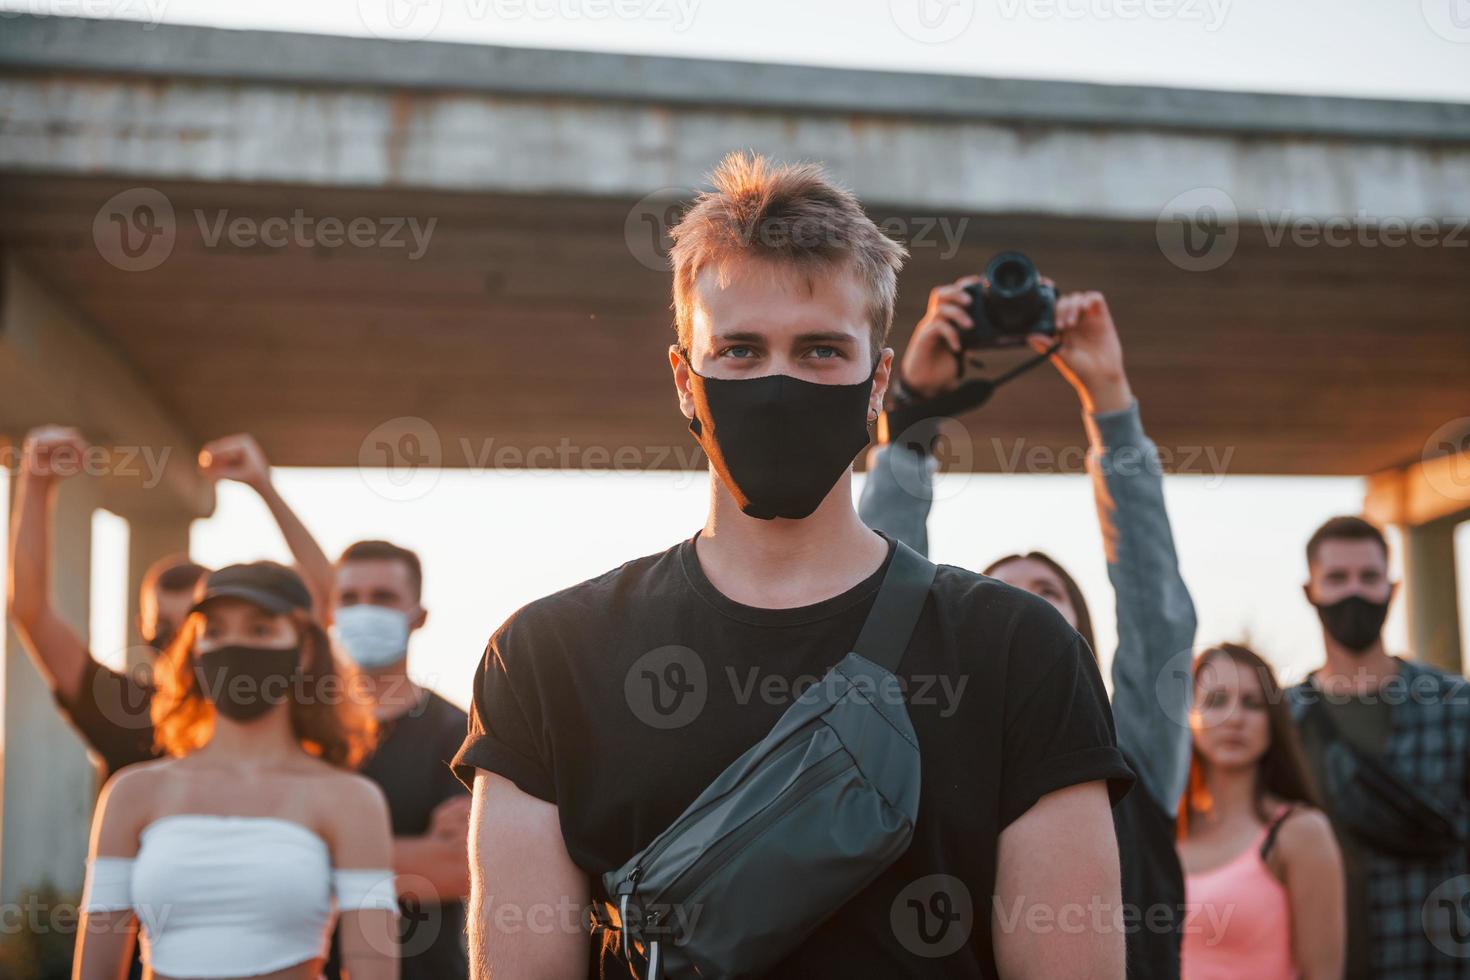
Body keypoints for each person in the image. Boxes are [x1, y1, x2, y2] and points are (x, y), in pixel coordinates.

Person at [452, 152, 1134, 979]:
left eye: (819, 352)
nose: (777, 383)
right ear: (683, 378)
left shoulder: (1020, 655)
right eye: (739, 351)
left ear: (878, 382)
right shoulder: (546, 658)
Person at [859, 280, 1197, 977]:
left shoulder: (1132, 753)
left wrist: (1110, 402)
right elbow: (869, 596)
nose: (1026, 612)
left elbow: (1155, 607)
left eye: (1046, 595)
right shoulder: (914, 752)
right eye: (1002, 597)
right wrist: (914, 417)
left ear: (1080, 631)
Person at [196, 435, 472, 980]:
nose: (363, 610)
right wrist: (262, 485)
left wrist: (294, 852)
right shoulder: (300, 721)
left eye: (384, 598)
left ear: (418, 614)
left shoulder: (457, 731)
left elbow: (454, 868)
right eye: (349, 598)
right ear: (329, 611)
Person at [73, 562, 400, 980]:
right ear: (194, 649)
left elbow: (375, 972)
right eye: (215, 630)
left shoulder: (351, 800)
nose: (234, 645)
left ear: (303, 651)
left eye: (260, 629)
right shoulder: (132, 793)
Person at [1285, 516, 1470, 978]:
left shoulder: (1454, 704)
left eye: (1369, 578)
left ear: (1393, 588)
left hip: (1434, 957)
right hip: (1321, 959)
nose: (1354, 593)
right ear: (1310, 592)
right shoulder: (1285, 720)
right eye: (1336, 578)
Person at [7, 425, 208, 778]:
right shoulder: (124, 709)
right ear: (140, 628)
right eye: (163, 627)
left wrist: (263, 486)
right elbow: (31, 611)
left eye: (192, 626)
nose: (177, 642)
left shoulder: (258, 720)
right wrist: (37, 482)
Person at [1177, 643, 1345, 979]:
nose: (1234, 717)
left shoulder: (1300, 832)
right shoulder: (1161, 831)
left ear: (1274, 722)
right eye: (1216, 700)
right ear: (1188, 715)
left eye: (1252, 703)